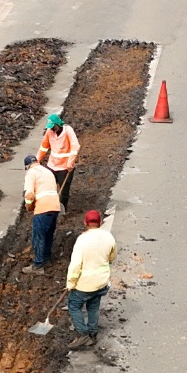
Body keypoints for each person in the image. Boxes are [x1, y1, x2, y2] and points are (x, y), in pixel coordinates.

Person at [64, 209, 114, 346]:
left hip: (85, 284)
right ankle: (93, 333)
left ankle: (83, 334)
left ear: (85, 223)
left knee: (74, 305)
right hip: (102, 282)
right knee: (93, 306)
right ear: (100, 222)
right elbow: (112, 256)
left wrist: (70, 283)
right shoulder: (108, 237)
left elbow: (75, 265)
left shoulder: (82, 240)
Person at [21, 154, 62, 269]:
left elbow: (29, 194)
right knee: (48, 234)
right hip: (55, 206)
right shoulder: (47, 171)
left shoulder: (31, 173)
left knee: (38, 237)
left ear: (28, 166)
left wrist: (29, 207)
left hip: (43, 208)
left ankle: (38, 265)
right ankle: (46, 259)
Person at [37, 112, 80, 201]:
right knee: (48, 186)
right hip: (52, 165)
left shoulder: (68, 131)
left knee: (64, 190)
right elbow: (43, 147)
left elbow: (75, 147)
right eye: (50, 127)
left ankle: (63, 207)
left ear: (58, 124)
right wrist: (37, 160)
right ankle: (49, 205)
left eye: (53, 126)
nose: (52, 129)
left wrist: (70, 163)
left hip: (64, 167)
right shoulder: (49, 131)